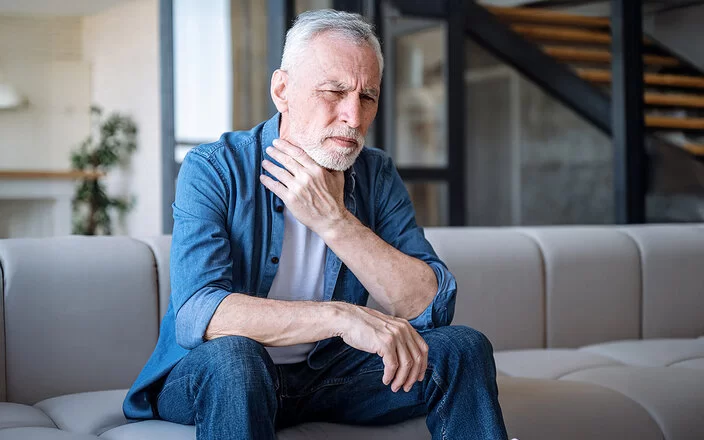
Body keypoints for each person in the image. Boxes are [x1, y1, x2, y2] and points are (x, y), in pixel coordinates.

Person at [124, 9, 508, 440]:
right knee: (235, 357)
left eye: (368, 97)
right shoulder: (215, 168)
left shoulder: (375, 174)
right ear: (282, 90)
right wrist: (341, 317)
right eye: (334, 91)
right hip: (218, 375)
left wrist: (334, 221)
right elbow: (200, 312)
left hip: (329, 375)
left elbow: (430, 306)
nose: (353, 116)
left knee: (463, 348)